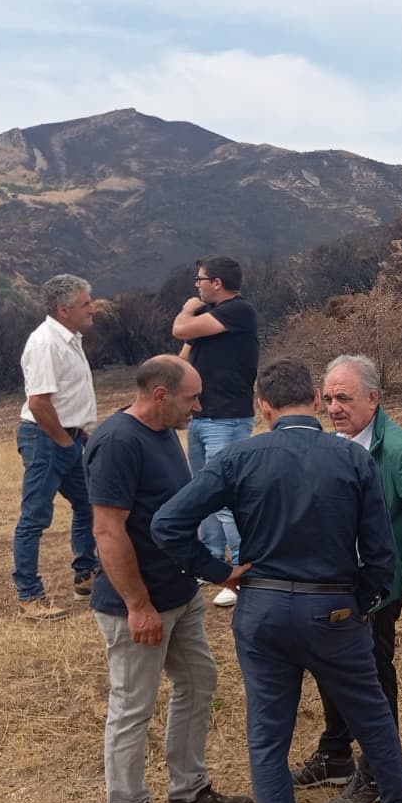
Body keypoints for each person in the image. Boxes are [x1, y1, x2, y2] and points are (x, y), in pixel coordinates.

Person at [151, 357, 402, 803]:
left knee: (267, 735)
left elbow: (168, 523)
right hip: (332, 606)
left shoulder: (238, 457)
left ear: (264, 406)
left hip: (261, 610)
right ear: (312, 396)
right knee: (369, 710)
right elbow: (379, 548)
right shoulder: (350, 458)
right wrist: (368, 598)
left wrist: (217, 570)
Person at [86, 355, 253, 803]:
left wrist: (214, 571)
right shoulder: (117, 442)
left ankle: (189, 793)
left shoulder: (163, 434)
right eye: (191, 398)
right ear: (161, 393)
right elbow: (107, 530)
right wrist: (137, 605)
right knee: (132, 707)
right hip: (140, 605)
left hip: (180, 595)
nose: (198, 408)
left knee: (198, 682)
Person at [290, 353, 402, 803]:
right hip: (337, 585)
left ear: (373, 398)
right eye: (327, 399)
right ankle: (336, 753)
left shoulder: (397, 452)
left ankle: (376, 771)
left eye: (344, 398)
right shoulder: (339, 444)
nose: (334, 407)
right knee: (331, 664)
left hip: (376, 588)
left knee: (371, 673)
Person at [173, 255, 259, 608]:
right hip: (202, 418)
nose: (197, 285)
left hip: (228, 419)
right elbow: (181, 357)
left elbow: (180, 330)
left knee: (228, 498)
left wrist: (187, 308)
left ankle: (242, 570)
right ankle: (208, 563)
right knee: (202, 494)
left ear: (218, 283)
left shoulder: (238, 312)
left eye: (201, 279)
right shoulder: (209, 324)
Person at [13, 274, 100, 620]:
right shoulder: (46, 343)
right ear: (64, 309)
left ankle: (85, 575)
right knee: (35, 517)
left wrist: (81, 432)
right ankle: (30, 595)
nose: (92, 308)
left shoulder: (69, 338)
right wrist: (64, 442)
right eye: (85, 303)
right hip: (46, 438)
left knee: (89, 504)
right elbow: (38, 403)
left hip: (69, 436)